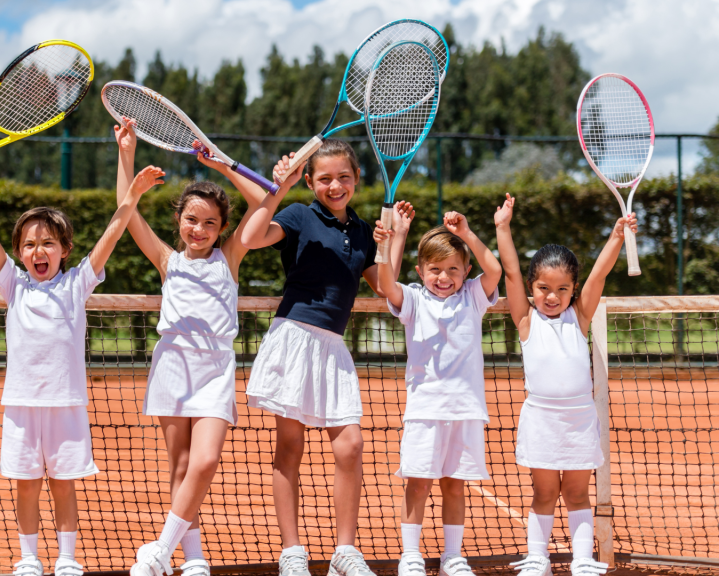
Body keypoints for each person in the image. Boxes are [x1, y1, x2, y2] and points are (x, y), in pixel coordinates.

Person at [0, 155, 163, 576]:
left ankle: (66, 558)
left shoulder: (77, 283)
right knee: (26, 485)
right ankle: (28, 558)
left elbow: (110, 235)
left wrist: (133, 196)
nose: (38, 251)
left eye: (48, 242)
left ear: (65, 250)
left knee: (63, 485)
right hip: (21, 404)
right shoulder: (12, 284)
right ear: (19, 254)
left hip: (66, 404)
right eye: (29, 245)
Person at [240, 140, 414, 576]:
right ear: (312, 181)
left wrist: (396, 240)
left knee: (351, 446)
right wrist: (278, 188)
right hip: (293, 336)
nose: (334, 185)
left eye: (343, 177)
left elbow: (384, 286)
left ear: (356, 179)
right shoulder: (298, 214)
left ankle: (345, 551)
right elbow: (251, 237)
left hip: (333, 347)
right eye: (324, 178)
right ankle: (292, 552)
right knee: (290, 445)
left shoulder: (359, 231)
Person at [113, 119, 268, 576]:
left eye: (209, 223)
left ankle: (160, 550)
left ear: (222, 228)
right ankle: (193, 558)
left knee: (205, 460)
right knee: (180, 466)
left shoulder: (231, 256)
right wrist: (126, 155)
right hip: (172, 365)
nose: (198, 229)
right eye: (191, 220)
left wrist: (219, 164)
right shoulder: (167, 260)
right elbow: (127, 213)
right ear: (179, 219)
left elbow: (263, 200)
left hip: (216, 368)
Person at [495, 193, 636, 576]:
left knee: (576, 494)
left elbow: (599, 275)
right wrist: (502, 227)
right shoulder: (525, 320)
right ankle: (537, 558)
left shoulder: (581, 316)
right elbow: (508, 271)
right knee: (543, 493)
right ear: (532, 287)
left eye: (561, 289)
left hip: (578, 421)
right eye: (542, 288)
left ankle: (582, 560)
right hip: (541, 419)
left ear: (572, 289)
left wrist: (617, 237)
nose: (552, 296)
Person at [373, 205, 503, 576]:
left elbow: (493, 270)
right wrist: (393, 237)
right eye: (434, 269)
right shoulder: (413, 300)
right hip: (425, 410)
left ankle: (452, 557)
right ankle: (410, 555)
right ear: (420, 272)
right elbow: (385, 283)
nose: (443, 277)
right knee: (417, 484)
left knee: (455, 487)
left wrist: (466, 234)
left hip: (465, 410)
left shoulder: (474, 297)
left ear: (465, 271)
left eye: (452, 269)